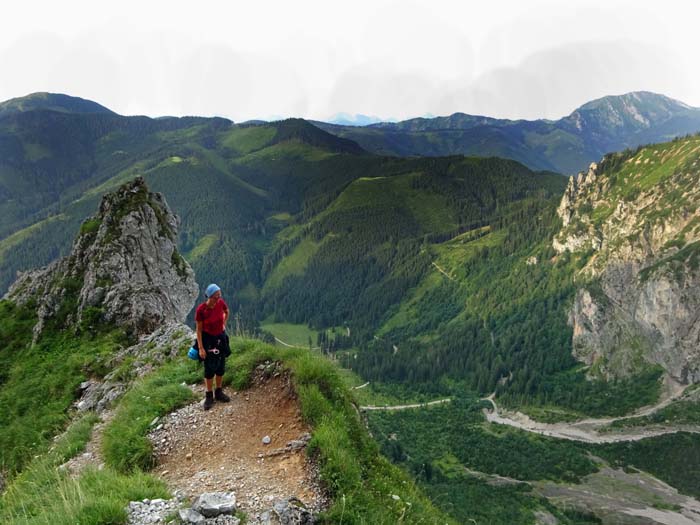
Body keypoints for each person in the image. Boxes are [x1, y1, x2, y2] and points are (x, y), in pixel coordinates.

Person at [195, 283, 232, 410]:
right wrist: (201, 348)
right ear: (210, 296)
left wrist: (223, 323)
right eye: (216, 296)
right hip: (208, 340)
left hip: (220, 337)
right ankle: (209, 395)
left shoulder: (221, 303)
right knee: (209, 368)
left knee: (221, 365)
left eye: (219, 295)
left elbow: (227, 311)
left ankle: (219, 391)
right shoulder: (201, 310)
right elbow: (199, 330)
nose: (218, 298)